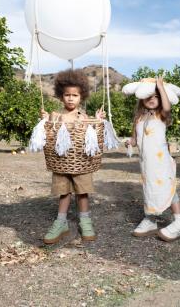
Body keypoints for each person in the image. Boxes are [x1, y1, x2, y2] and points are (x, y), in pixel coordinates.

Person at [40, 69, 105, 245]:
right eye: (67, 95)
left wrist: (98, 119)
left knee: (82, 191)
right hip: (61, 160)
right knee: (63, 191)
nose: (70, 98)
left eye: (74, 95)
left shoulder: (83, 117)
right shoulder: (56, 115)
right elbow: (49, 129)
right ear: (61, 96)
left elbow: (90, 133)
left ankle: (85, 220)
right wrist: (45, 119)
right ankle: (61, 222)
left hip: (80, 160)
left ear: (81, 97)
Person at [124, 76, 180, 242]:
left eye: (156, 97)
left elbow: (167, 105)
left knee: (168, 189)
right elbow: (135, 139)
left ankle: (179, 222)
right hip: (147, 164)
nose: (152, 99)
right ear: (142, 98)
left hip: (161, 163)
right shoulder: (138, 118)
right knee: (149, 190)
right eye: (149, 96)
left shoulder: (162, 115)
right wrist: (130, 142)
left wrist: (160, 86)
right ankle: (150, 220)